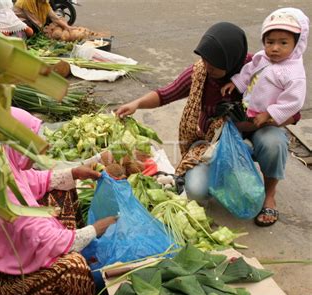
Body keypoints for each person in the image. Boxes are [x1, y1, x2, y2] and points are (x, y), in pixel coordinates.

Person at [115, 21, 302, 227]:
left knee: (274, 142)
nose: (206, 66)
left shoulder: (258, 68)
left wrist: (262, 118)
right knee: (195, 190)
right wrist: (136, 104)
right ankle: (227, 173)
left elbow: (293, 114)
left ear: (231, 60)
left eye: (214, 64)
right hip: (215, 141)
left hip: (256, 132)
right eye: (204, 60)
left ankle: (269, 195)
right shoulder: (200, 72)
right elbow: (165, 94)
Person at [0, 107, 117, 295]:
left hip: (11, 251)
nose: (38, 149)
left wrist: (74, 173)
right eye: (28, 143)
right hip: (3, 279)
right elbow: (44, 237)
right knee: (74, 269)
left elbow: (33, 179)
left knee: (62, 188)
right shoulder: (3, 192)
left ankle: (74, 251)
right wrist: (96, 229)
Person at [221, 8, 308, 129]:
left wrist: (268, 114)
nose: (275, 48)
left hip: (266, 115)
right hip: (248, 105)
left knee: (248, 131)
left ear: (297, 44)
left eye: (283, 43)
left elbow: (293, 101)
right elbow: (250, 69)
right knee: (232, 126)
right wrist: (237, 82)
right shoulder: (262, 57)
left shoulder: (294, 73)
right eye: (270, 42)